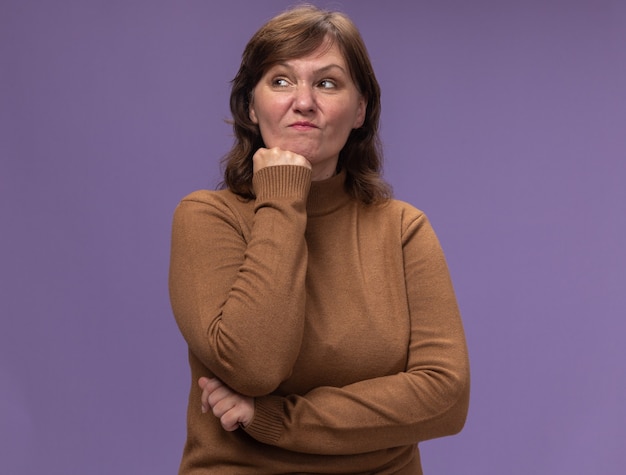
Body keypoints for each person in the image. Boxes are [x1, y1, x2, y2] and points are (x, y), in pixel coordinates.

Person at [169, 5, 470, 474]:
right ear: (251, 106)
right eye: (281, 81)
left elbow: (445, 398)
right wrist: (284, 195)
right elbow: (253, 365)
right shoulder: (207, 218)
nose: (303, 101)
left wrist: (274, 419)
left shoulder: (403, 229)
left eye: (327, 83)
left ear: (360, 110)